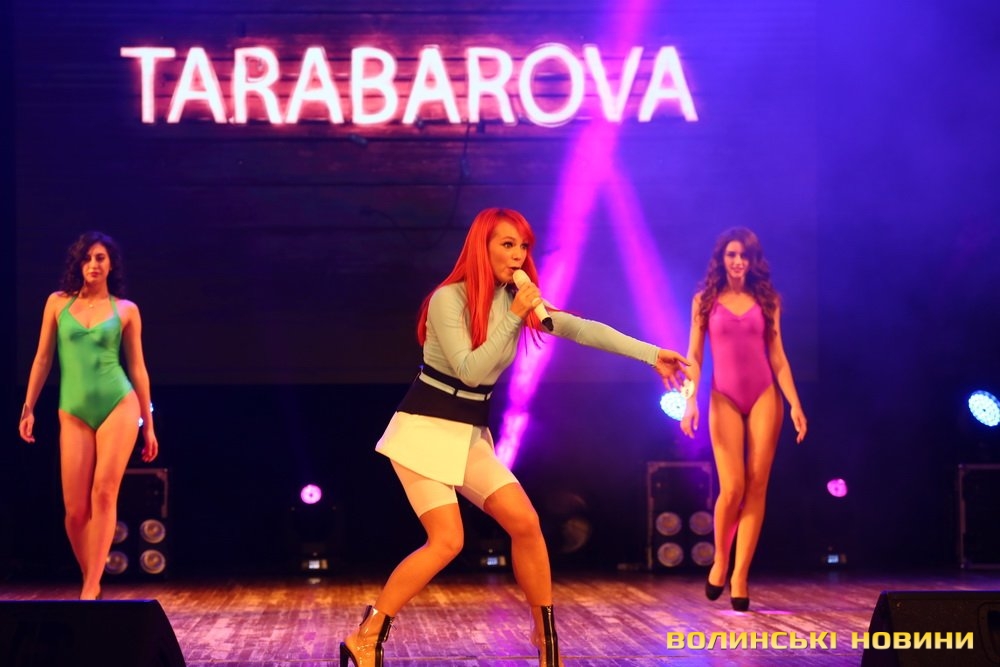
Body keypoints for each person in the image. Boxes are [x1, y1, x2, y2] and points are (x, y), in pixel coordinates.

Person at [340, 208, 689, 667]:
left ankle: (546, 640)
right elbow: (470, 371)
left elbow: (581, 328)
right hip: (422, 430)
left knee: (525, 522)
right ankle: (366, 636)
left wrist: (652, 355)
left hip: (467, 435)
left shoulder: (513, 300)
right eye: (507, 245)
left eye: (523, 246)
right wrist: (515, 315)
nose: (519, 255)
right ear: (482, 247)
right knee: (447, 541)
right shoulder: (449, 299)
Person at [18, 230, 159, 600]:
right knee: (75, 511)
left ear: (111, 265)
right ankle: (91, 578)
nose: (93, 264)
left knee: (104, 492)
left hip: (119, 403)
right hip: (73, 410)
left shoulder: (125, 310)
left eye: (100, 258)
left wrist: (149, 425)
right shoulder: (57, 303)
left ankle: (90, 587)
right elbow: (43, 358)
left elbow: (138, 368)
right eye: (86, 258)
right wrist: (29, 407)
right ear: (78, 264)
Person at [679, 226, 807, 612]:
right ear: (722, 259)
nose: (738, 261)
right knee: (732, 487)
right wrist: (689, 400)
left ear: (753, 261)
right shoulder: (704, 300)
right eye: (732, 255)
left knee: (756, 486)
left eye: (744, 256)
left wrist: (795, 404)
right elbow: (694, 356)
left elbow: (778, 357)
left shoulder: (767, 300)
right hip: (724, 397)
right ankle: (721, 559)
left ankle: (740, 575)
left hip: (765, 394)